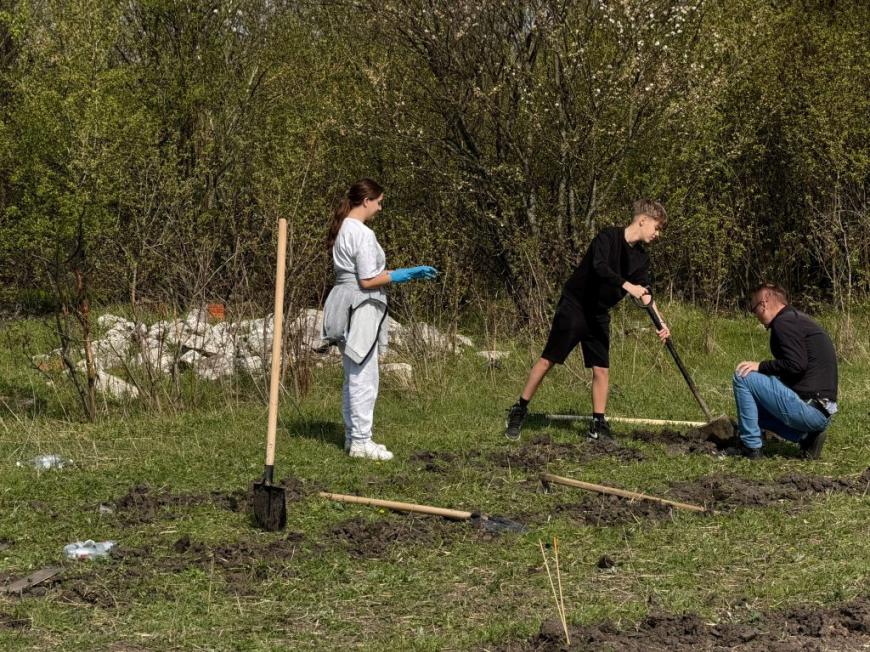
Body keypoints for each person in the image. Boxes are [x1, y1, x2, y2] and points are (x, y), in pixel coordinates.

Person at [504, 200, 671, 442]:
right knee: (548, 360)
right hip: (575, 305)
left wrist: (661, 323)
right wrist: (628, 286)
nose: (657, 234)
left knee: (601, 369)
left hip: (598, 313)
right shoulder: (607, 237)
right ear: (642, 220)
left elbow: (644, 293)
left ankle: (598, 424)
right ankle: (519, 409)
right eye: (656, 227)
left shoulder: (641, 259)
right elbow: (599, 268)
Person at [321, 179, 438, 461]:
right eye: (379, 201)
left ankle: (353, 438)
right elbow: (368, 279)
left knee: (353, 373)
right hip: (360, 306)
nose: (380, 207)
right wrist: (404, 274)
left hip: (345, 302)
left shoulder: (344, 229)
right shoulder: (360, 233)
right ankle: (361, 441)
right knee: (364, 375)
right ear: (366, 201)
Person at [727, 283, 838, 459]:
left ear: (764, 303)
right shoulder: (796, 319)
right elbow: (797, 369)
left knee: (743, 377)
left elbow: (796, 365)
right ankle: (808, 436)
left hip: (810, 408)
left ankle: (751, 448)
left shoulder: (783, 323)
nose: (754, 314)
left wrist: (760, 366)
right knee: (751, 411)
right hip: (821, 412)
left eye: (754, 308)